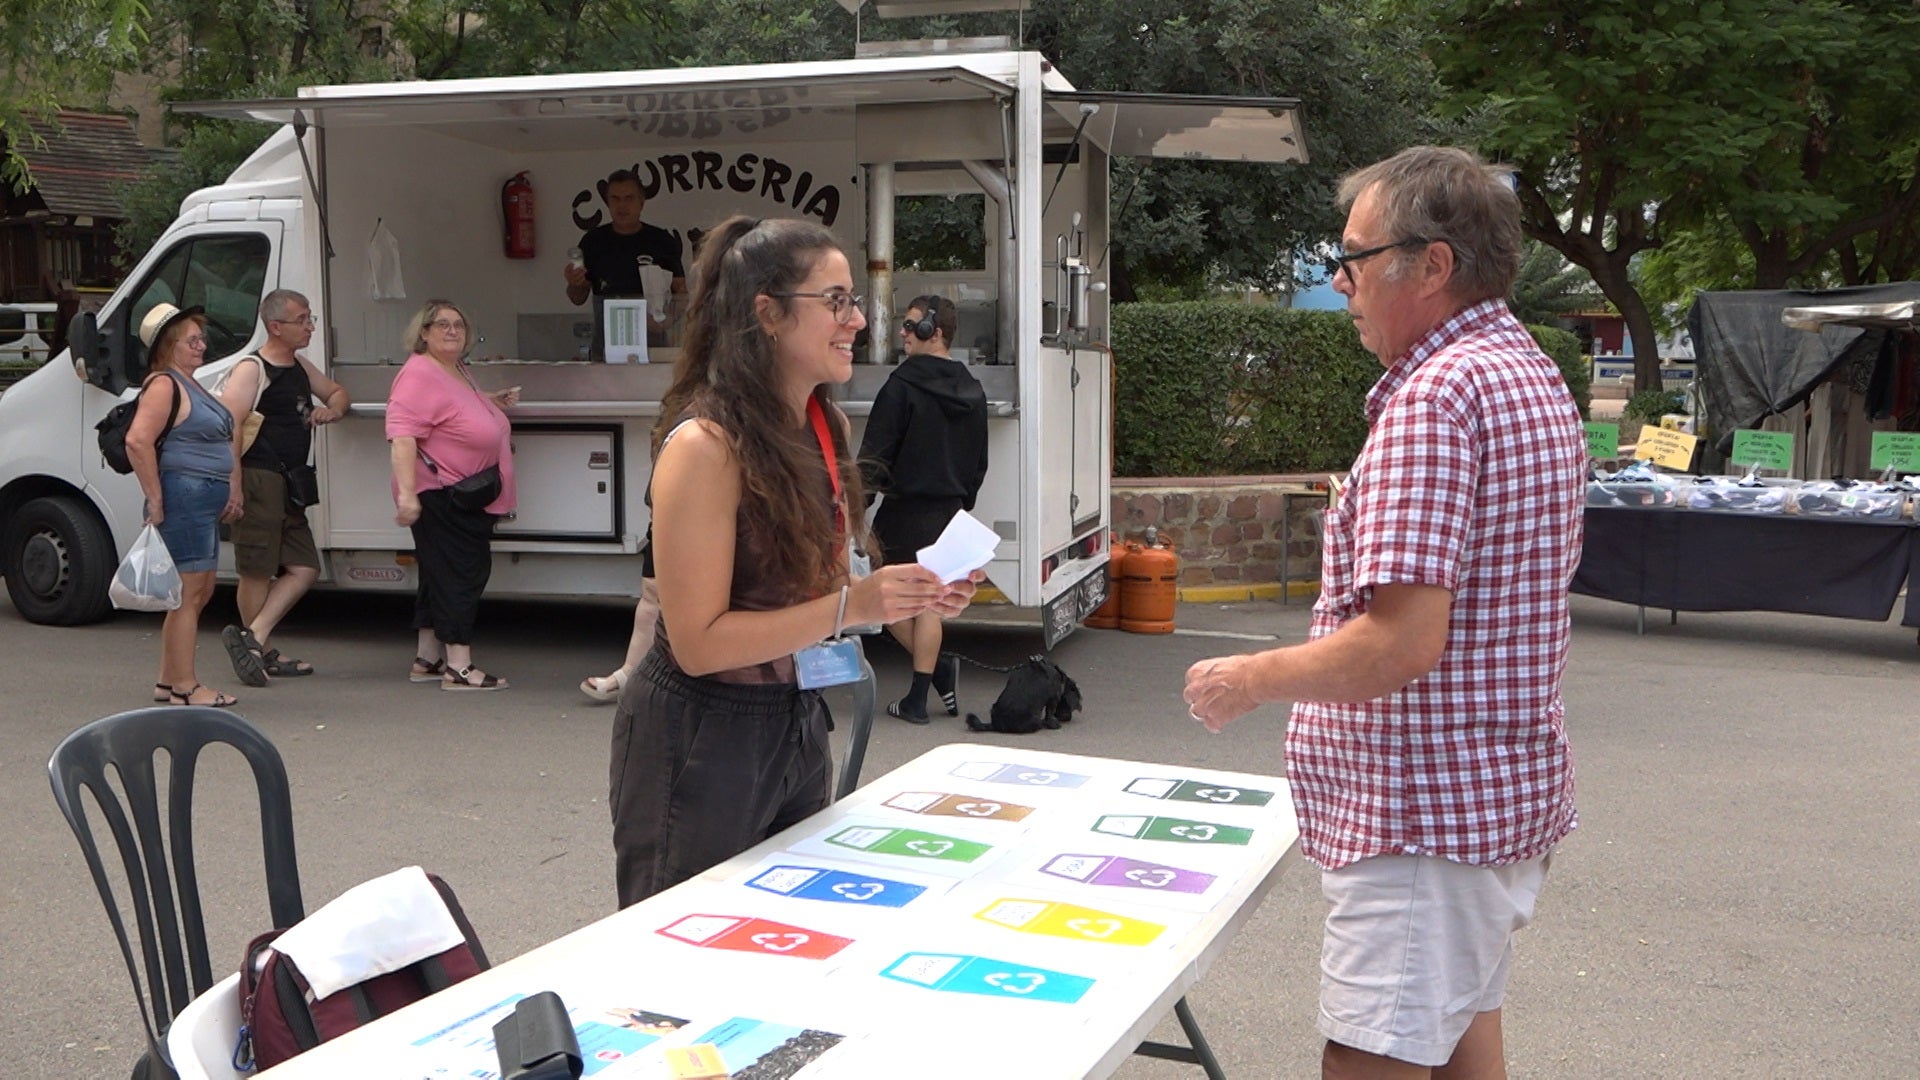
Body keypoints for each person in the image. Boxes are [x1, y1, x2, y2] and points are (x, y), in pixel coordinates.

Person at [1180, 146, 1586, 1080]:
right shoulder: (1521, 369)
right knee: (1462, 1034)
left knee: (1371, 1057)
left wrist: (1248, 677)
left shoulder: (1435, 400)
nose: (1341, 280)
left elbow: (1398, 643)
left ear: (1432, 265)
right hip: (1482, 806)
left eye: (1356, 257)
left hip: (1420, 818)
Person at [609, 215, 980, 907]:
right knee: (682, 942)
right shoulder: (705, 447)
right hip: (698, 737)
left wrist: (915, 592)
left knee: (788, 930)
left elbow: (823, 589)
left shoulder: (825, 425)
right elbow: (697, 645)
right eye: (836, 301)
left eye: (853, 301)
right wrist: (853, 605)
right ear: (769, 315)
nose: (858, 321)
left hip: (794, 718)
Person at [856, 294, 988, 723]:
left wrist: (857, 510)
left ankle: (924, 689)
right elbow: (979, 461)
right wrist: (962, 504)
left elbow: (874, 457)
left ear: (936, 331)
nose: (903, 332)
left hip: (904, 509)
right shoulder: (973, 389)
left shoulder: (901, 386)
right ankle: (928, 680)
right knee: (930, 599)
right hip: (949, 511)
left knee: (878, 588)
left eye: (912, 326)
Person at [215, 289, 350, 687]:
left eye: (310, 318)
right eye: (302, 320)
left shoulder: (299, 365)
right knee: (256, 570)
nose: (310, 327)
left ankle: (253, 641)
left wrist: (332, 409)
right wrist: (234, 485)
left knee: (305, 567)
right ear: (275, 326)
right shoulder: (252, 369)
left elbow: (337, 392)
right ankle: (261, 651)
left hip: (290, 481)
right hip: (258, 478)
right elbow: (229, 427)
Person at [385, 300, 520, 691]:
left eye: (458, 325)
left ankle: (427, 658)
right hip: (441, 493)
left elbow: (449, 407)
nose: (452, 331)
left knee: (437, 573)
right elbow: (402, 437)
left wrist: (488, 401)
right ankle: (458, 667)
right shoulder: (418, 374)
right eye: (442, 324)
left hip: (461, 493)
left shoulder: (453, 367)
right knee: (461, 574)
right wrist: (408, 496)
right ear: (423, 332)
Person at [126, 302, 245, 707]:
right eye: (191, 340)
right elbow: (137, 440)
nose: (202, 345)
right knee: (189, 592)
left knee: (198, 589)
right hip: (186, 497)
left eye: (201, 338)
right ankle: (186, 686)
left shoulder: (188, 383)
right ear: (168, 346)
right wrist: (155, 498)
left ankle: (169, 680)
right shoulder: (164, 385)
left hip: (199, 497)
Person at [564, 170, 686, 357]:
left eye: (629, 198)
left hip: (652, 346)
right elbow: (577, 298)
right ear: (608, 202)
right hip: (606, 348)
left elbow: (682, 292)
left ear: (641, 203)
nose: (622, 205)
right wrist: (574, 283)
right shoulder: (592, 241)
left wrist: (666, 321)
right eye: (615, 199)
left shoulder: (662, 241)